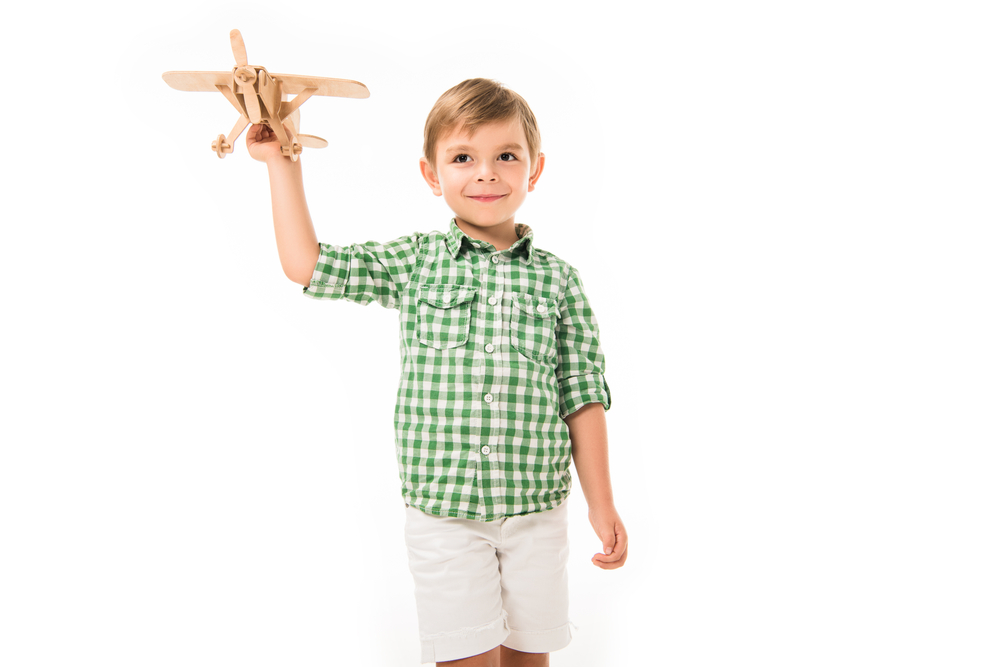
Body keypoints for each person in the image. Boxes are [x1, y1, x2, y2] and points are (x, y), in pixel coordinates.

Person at [248, 78, 628, 667]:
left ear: (536, 169)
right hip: (445, 513)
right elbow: (308, 266)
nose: (486, 174)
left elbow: (582, 397)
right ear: (431, 175)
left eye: (506, 156)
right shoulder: (416, 261)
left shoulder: (560, 281)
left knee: (530, 656)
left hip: (537, 510)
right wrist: (281, 164)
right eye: (462, 158)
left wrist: (599, 503)